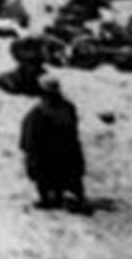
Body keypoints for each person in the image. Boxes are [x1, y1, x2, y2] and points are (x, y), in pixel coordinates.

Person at [20, 76, 87, 212]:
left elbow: (32, 136)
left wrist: (27, 149)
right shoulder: (67, 107)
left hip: (47, 152)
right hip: (65, 150)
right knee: (66, 173)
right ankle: (63, 195)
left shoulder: (38, 112)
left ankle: (49, 198)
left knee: (43, 172)